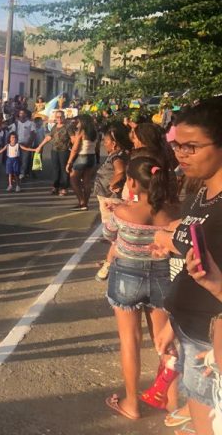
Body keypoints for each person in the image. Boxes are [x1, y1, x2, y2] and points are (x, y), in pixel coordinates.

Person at [152, 98, 222, 435]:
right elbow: (192, 267)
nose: (181, 154)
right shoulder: (200, 196)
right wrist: (172, 322)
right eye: (177, 145)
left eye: (191, 146)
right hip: (190, 331)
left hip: (211, 347)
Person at [103, 156, 179, 421]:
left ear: (132, 183)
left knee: (130, 340)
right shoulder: (172, 212)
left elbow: (108, 234)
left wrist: (117, 208)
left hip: (126, 276)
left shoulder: (122, 212)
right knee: (164, 342)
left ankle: (132, 404)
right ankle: (173, 405)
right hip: (162, 276)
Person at [93, 123, 132, 281]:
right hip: (108, 197)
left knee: (113, 233)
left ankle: (111, 262)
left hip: (110, 198)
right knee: (113, 233)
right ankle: (110, 258)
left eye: (106, 140)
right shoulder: (119, 153)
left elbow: (120, 171)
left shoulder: (117, 156)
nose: (104, 143)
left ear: (114, 143)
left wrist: (112, 184)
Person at [66, 114, 99, 211]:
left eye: (79, 121)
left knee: (73, 180)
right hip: (92, 157)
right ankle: (85, 203)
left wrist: (69, 162)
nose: (77, 123)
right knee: (87, 182)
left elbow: (75, 148)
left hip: (82, 156)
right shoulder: (95, 132)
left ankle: (82, 202)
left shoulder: (81, 132)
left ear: (83, 122)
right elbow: (97, 148)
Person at [35, 110, 72, 195]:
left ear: (64, 117)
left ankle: (64, 188)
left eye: (61, 116)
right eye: (57, 117)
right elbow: (49, 137)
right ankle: (56, 186)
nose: (59, 118)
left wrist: (75, 150)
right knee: (56, 169)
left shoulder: (68, 127)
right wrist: (40, 146)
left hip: (64, 151)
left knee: (64, 169)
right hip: (55, 150)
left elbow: (73, 139)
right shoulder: (55, 127)